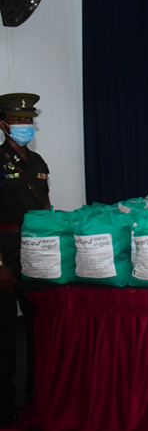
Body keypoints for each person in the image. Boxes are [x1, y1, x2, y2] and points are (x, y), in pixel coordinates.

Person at [0, 92, 50, 425]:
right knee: (5, 335)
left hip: (35, 253)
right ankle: (5, 406)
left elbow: (45, 211)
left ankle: (36, 393)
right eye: (18, 121)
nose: (24, 126)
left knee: (38, 327)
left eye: (28, 120)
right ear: (4, 125)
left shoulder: (38, 163)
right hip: (5, 253)